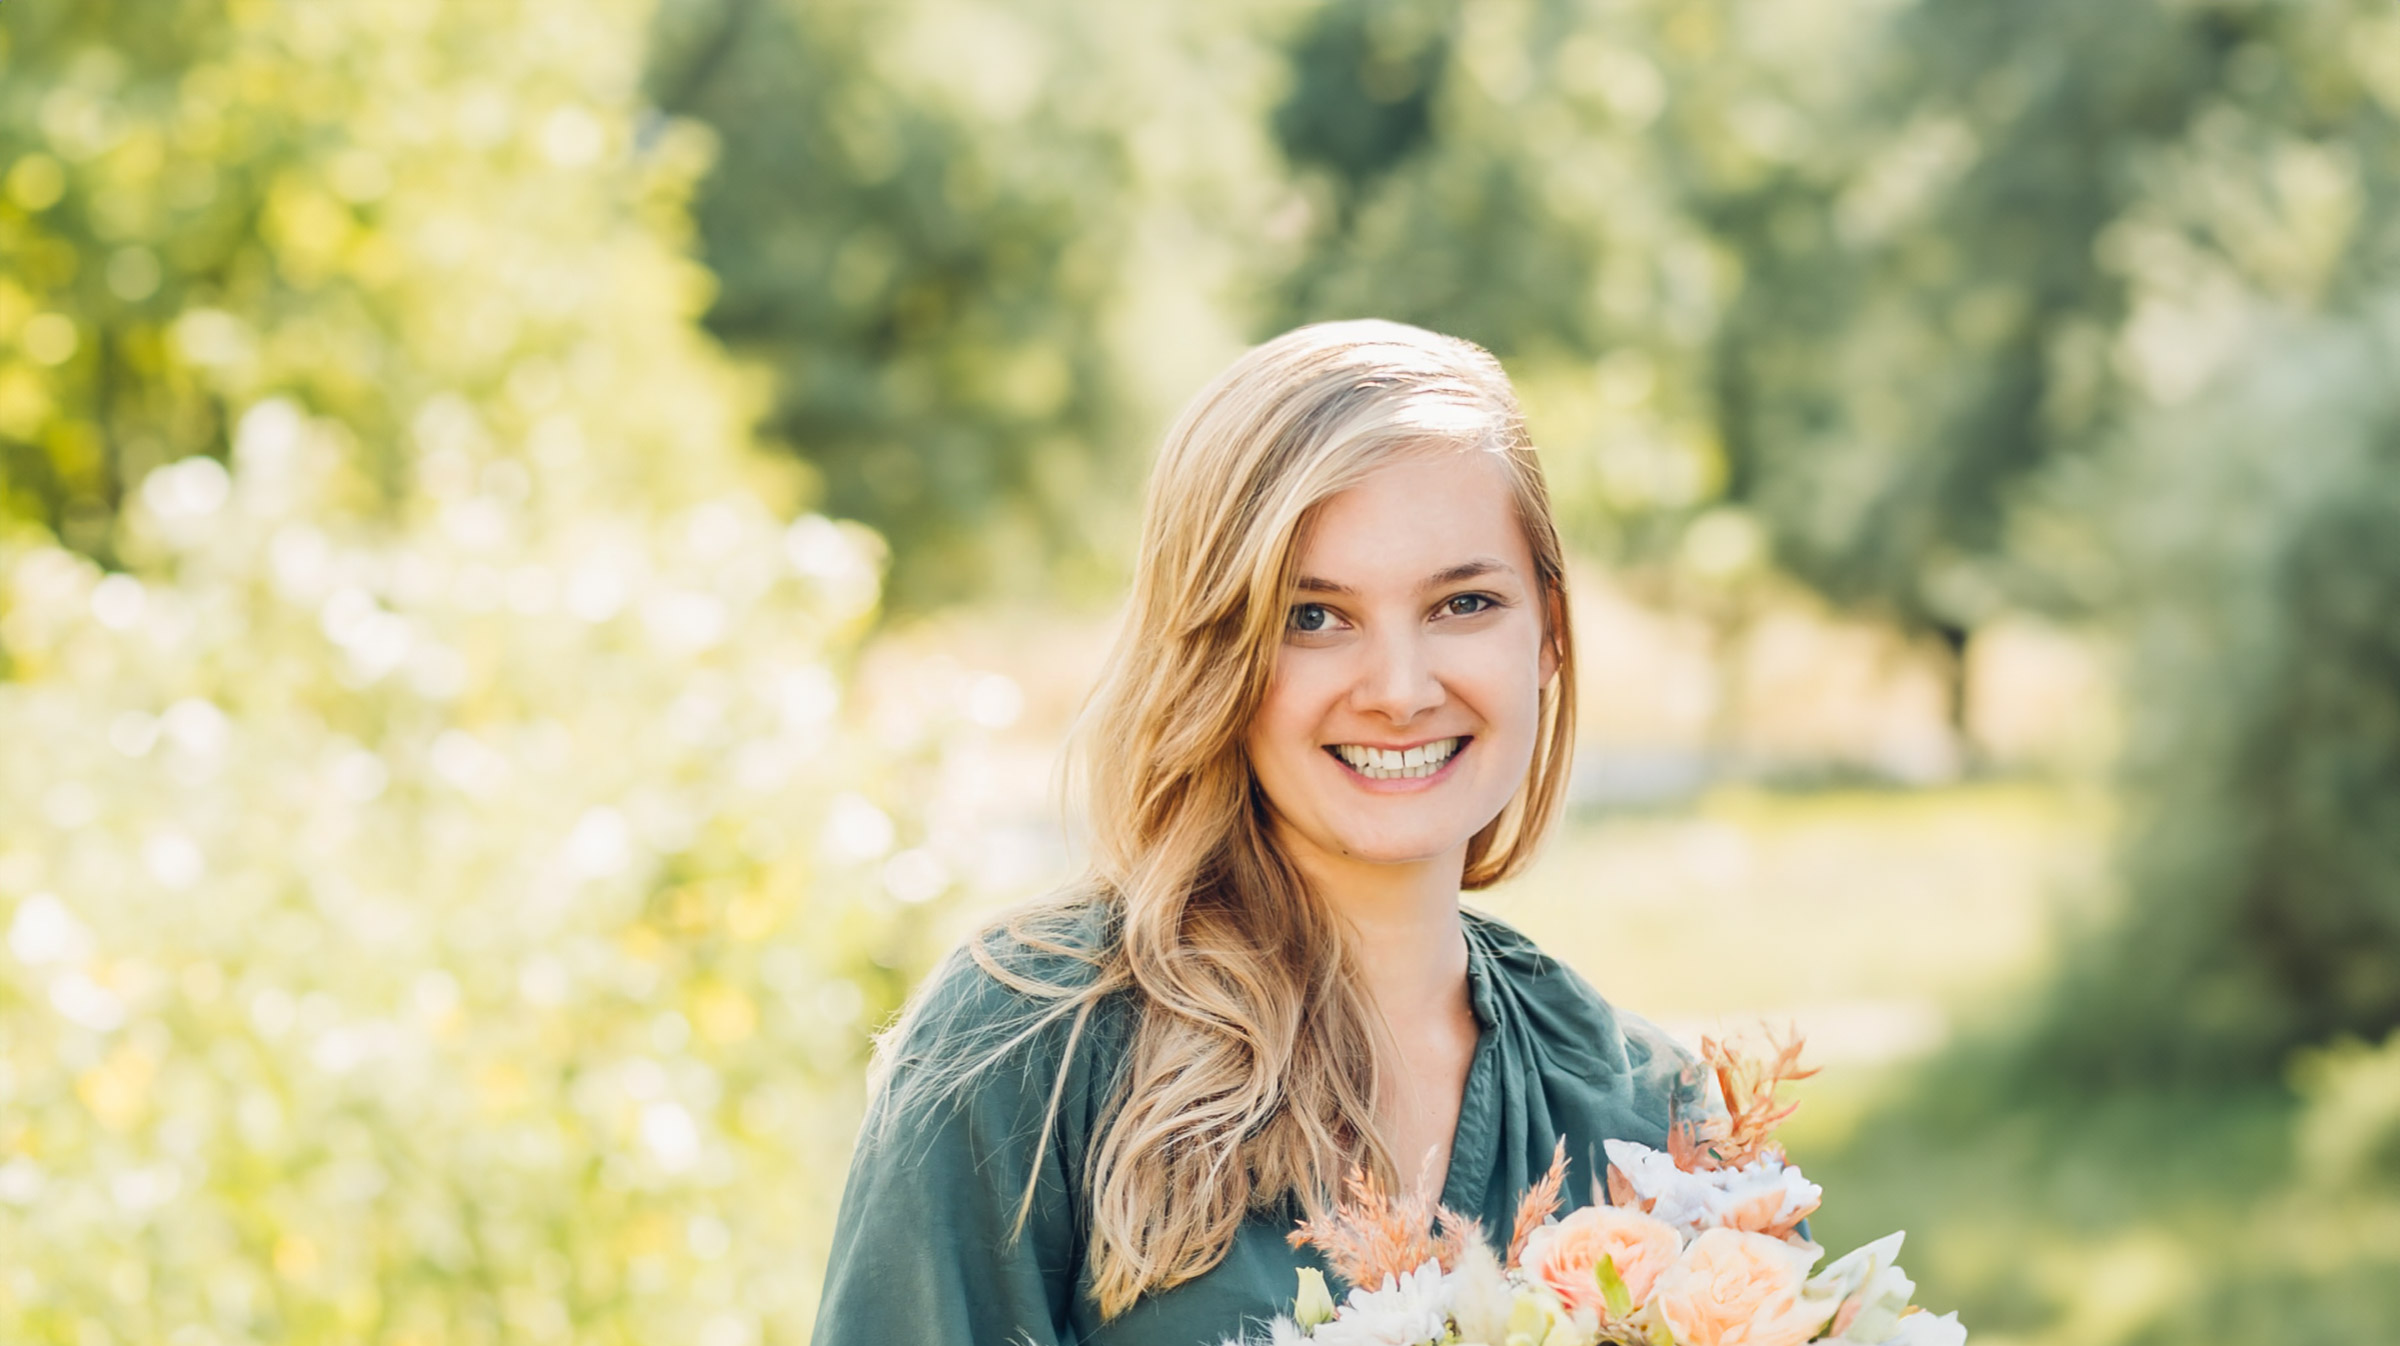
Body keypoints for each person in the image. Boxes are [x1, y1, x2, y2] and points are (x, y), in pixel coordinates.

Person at [812, 320, 1701, 1344]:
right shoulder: (1025, 1052)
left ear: (1547, 628)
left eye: (1464, 601)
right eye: (1312, 616)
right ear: (1211, 647)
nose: (1402, 690)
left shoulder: (1648, 1118)